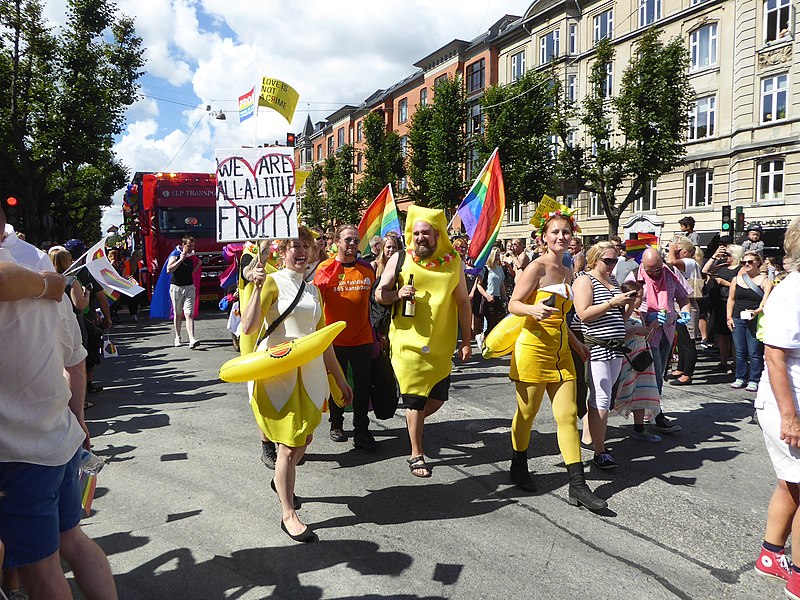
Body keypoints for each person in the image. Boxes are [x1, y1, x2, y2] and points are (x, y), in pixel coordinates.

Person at [0, 206, 118, 599]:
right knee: (73, 540)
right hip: (57, 438)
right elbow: (75, 359)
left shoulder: (35, 271)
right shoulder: (40, 264)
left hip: (19, 452)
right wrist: (78, 417)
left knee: (41, 567)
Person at [240, 227, 353, 543]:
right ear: (281, 251)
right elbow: (248, 326)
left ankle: (281, 480)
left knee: (304, 440)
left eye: (307, 246)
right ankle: (288, 513)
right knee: (288, 448)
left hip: (311, 375)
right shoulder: (273, 282)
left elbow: (322, 341)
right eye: (294, 245)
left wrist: (339, 378)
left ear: (314, 253)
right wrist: (253, 286)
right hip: (279, 374)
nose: (301, 251)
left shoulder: (313, 290)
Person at [505, 209, 606, 510]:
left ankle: (578, 485)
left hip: (561, 352)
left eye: (566, 232)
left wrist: (576, 344)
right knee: (527, 414)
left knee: (567, 415)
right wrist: (532, 310)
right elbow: (513, 303)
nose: (561, 237)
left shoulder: (569, 270)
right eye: (555, 233)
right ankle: (518, 464)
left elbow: (563, 317)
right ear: (544, 237)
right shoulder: (536, 267)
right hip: (532, 350)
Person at [376, 205, 472, 478]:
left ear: (437, 235)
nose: (420, 238)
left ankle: (410, 418)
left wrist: (466, 340)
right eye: (416, 233)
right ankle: (416, 453)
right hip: (407, 342)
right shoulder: (400, 259)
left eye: (425, 233)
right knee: (416, 400)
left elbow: (463, 302)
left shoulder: (453, 262)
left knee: (438, 398)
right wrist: (397, 294)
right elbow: (379, 295)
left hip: (440, 345)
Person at [753, 216, 800, 595]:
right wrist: (790, 417)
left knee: (792, 484)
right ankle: (798, 576)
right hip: (788, 406)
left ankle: (771, 555)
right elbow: (774, 356)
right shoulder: (794, 290)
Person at [314, 225, 378, 450]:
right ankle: (336, 424)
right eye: (348, 240)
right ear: (338, 242)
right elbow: (315, 303)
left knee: (362, 386)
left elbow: (373, 303)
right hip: (334, 340)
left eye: (356, 240)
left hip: (362, 337)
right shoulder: (325, 268)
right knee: (337, 385)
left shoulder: (367, 269)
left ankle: (362, 430)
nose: (352, 244)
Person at [574, 241, 634, 470]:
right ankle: (600, 450)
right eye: (607, 260)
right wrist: (612, 302)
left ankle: (594, 441)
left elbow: (620, 318)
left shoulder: (613, 280)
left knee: (605, 397)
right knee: (601, 397)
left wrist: (629, 302)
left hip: (616, 346)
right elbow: (583, 314)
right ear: (594, 259)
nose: (612, 264)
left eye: (615, 260)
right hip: (597, 346)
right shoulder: (584, 280)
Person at [628, 247, 691, 434]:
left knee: (660, 372)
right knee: (651, 376)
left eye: (657, 269)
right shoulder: (633, 277)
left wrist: (685, 311)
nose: (655, 273)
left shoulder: (671, 272)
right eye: (650, 270)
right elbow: (627, 306)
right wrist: (649, 315)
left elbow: (683, 297)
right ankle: (656, 414)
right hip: (646, 334)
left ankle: (651, 412)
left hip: (667, 330)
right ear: (642, 266)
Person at [614, 281, 662, 442]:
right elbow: (617, 336)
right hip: (627, 358)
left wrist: (653, 327)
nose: (642, 299)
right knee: (619, 393)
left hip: (642, 356)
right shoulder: (619, 312)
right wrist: (634, 330)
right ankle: (596, 429)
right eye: (639, 296)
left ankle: (639, 428)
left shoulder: (639, 313)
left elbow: (646, 337)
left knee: (642, 392)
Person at [64, 239, 112, 395]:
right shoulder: (86, 272)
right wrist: (107, 317)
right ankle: (86, 385)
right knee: (88, 353)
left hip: (61, 320)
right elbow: (101, 297)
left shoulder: (55, 272)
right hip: (86, 319)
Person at [728, 251, 772, 391]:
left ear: (758, 263)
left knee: (754, 351)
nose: (747, 264)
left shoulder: (765, 280)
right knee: (739, 350)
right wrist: (729, 317)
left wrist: (756, 312)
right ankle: (740, 377)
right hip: (737, 317)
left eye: (750, 262)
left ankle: (754, 378)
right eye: (743, 262)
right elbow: (731, 299)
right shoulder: (737, 279)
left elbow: (766, 302)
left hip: (755, 318)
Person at [666, 237, 704, 386]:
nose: (675, 252)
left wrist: (671, 249)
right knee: (681, 340)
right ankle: (681, 368)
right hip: (681, 303)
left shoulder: (690, 261)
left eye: (678, 250)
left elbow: (672, 263)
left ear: (685, 252)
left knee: (688, 341)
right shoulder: (689, 262)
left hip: (689, 304)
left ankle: (688, 374)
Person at [702, 242, 743, 374]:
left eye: (728, 254)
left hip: (731, 303)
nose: (725, 256)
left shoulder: (740, 268)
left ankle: (736, 364)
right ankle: (723, 362)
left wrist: (725, 283)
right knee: (722, 335)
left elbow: (742, 286)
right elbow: (705, 271)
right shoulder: (722, 266)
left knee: (733, 335)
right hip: (719, 304)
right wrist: (715, 256)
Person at [166, 234, 202, 348]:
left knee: (189, 314)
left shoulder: (192, 257)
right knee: (178, 314)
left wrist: (198, 265)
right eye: (189, 246)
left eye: (193, 246)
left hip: (189, 287)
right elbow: (169, 270)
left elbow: (190, 272)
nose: (192, 248)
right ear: (183, 245)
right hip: (176, 287)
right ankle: (178, 336)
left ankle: (192, 339)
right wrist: (181, 259)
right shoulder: (175, 254)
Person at [475, 247, 508, 341]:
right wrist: (487, 296)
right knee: (490, 323)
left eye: (499, 255)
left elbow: (501, 284)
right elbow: (479, 285)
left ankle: (491, 342)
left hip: (498, 298)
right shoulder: (486, 269)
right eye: (496, 256)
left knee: (498, 322)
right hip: (488, 298)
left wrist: (504, 297)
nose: (498, 258)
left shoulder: (499, 269)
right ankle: (483, 339)